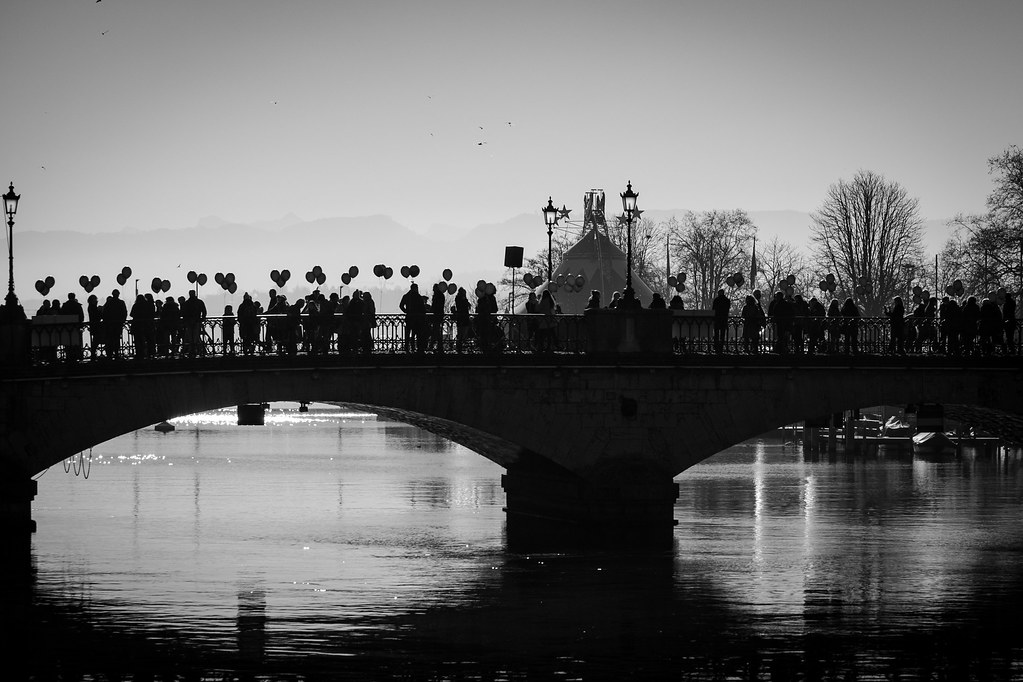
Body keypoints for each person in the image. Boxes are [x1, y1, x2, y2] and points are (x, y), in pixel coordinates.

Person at [399, 283, 426, 353]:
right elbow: (422, 308)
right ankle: (415, 348)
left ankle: (407, 348)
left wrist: (406, 311)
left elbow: (401, 305)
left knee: (408, 333)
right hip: (416, 318)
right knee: (416, 333)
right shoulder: (418, 296)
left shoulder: (406, 296)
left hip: (409, 317)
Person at [453, 287, 472, 353]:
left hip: (463, 318)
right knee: (461, 333)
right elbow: (461, 307)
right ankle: (459, 348)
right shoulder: (459, 299)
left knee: (463, 333)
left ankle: (461, 347)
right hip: (462, 318)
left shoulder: (462, 299)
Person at [711, 288, 730, 353]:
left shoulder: (716, 300)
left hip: (717, 319)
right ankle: (721, 348)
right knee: (722, 334)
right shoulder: (727, 300)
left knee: (716, 334)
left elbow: (713, 310)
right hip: (724, 319)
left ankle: (716, 348)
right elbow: (727, 310)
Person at [430, 285, 446, 353]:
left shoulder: (437, 295)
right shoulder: (441, 295)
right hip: (439, 315)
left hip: (437, 315)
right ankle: (435, 345)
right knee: (436, 330)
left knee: (436, 330)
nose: (433, 290)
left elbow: (435, 305)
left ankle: (435, 345)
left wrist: (432, 312)